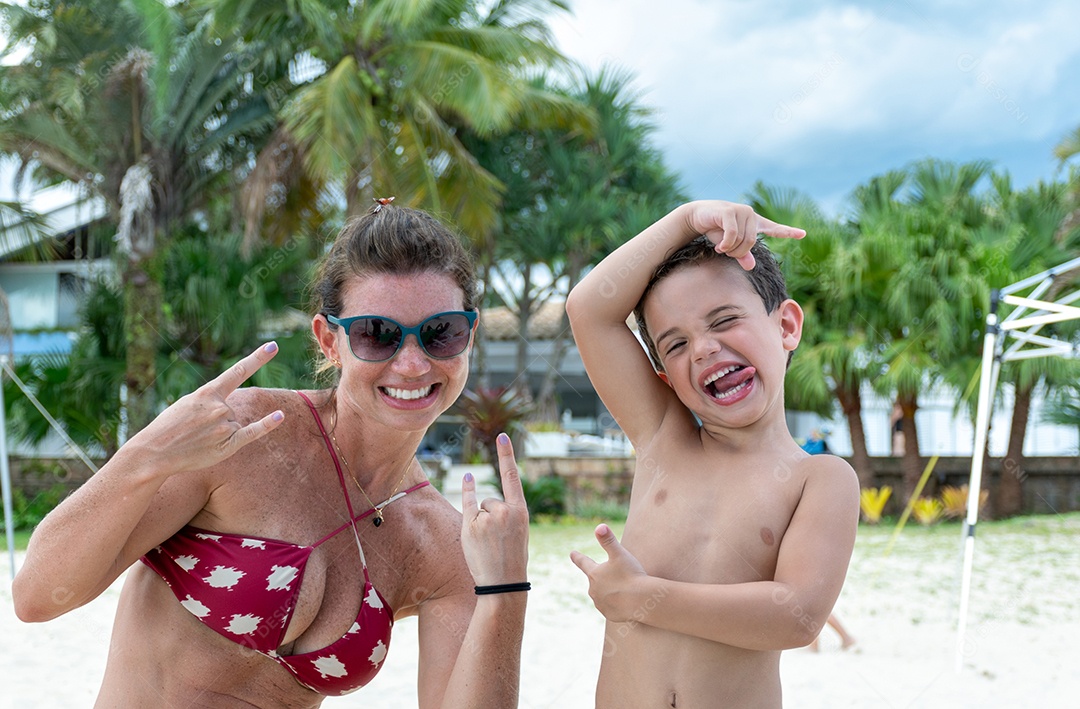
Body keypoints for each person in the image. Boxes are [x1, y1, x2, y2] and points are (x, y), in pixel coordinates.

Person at [13, 202, 530, 707]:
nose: (414, 364)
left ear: (470, 334)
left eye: (442, 333)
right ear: (330, 340)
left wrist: (506, 588)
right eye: (378, 335)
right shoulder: (242, 437)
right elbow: (36, 597)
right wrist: (147, 453)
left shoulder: (441, 545)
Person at [566, 201, 860, 707]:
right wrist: (686, 219)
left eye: (724, 320)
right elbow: (589, 310)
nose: (703, 349)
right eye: (675, 345)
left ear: (787, 326)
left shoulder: (818, 479)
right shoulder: (664, 438)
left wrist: (643, 600)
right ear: (663, 377)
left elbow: (797, 615)